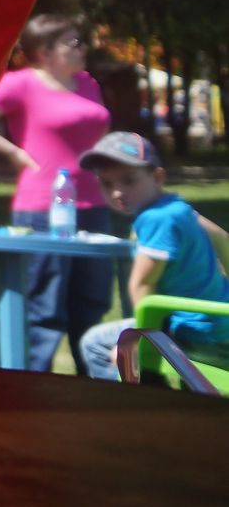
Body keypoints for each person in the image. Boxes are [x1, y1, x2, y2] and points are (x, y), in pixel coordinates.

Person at [0, 14, 113, 372]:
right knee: (45, 307)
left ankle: (93, 384)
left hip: (94, 204)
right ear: (44, 51)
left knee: (93, 302)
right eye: (72, 42)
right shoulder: (21, 84)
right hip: (42, 208)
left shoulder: (87, 83)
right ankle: (32, 388)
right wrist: (14, 152)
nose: (82, 48)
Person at [76, 132, 229, 380]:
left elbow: (143, 283)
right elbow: (223, 238)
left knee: (96, 343)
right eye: (106, 183)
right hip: (219, 326)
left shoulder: (155, 218)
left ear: (157, 177)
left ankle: (143, 409)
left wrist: (136, 342)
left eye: (128, 180)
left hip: (197, 336)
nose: (117, 192)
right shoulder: (177, 208)